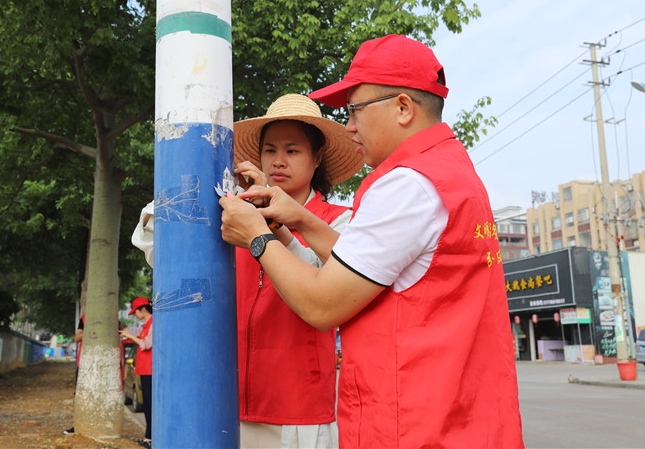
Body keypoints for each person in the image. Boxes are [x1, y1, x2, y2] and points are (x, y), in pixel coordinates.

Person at [219, 35, 524, 448]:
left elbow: (322, 303)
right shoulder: (445, 172)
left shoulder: (406, 185)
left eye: (354, 111)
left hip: (411, 424)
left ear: (401, 107)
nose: (349, 127)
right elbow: (372, 264)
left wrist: (256, 236)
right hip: (456, 418)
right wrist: (299, 219)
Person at [132, 93, 363, 449]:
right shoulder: (233, 214)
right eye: (269, 150)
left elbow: (329, 287)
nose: (278, 161)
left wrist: (268, 228)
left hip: (297, 409)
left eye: (292, 150)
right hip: (222, 402)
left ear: (317, 157)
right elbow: (157, 247)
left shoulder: (340, 222)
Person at [120, 296, 153, 449]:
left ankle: (150, 438)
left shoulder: (153, 323)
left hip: (150, 371)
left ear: (143, 309)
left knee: (150, 405)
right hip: (145, 370)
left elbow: (146, 345)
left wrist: (130, 336)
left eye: (136, 312)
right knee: (146, 404)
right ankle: (148, 437)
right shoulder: (146, 325)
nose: (135, 315)